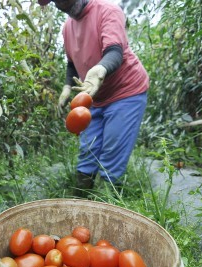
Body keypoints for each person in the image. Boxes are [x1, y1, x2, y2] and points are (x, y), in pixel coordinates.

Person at [38, 0, 149, 196]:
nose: (58, 4)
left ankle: (108, 200)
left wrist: (100, 69)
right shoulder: (67, 28)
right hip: (93, 95)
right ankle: (81, 198)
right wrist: (66, 87)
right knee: (87, 151)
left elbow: (115, 51)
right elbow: (71, 63)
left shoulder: (107, 10)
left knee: (112, 151)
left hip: (126, 92)